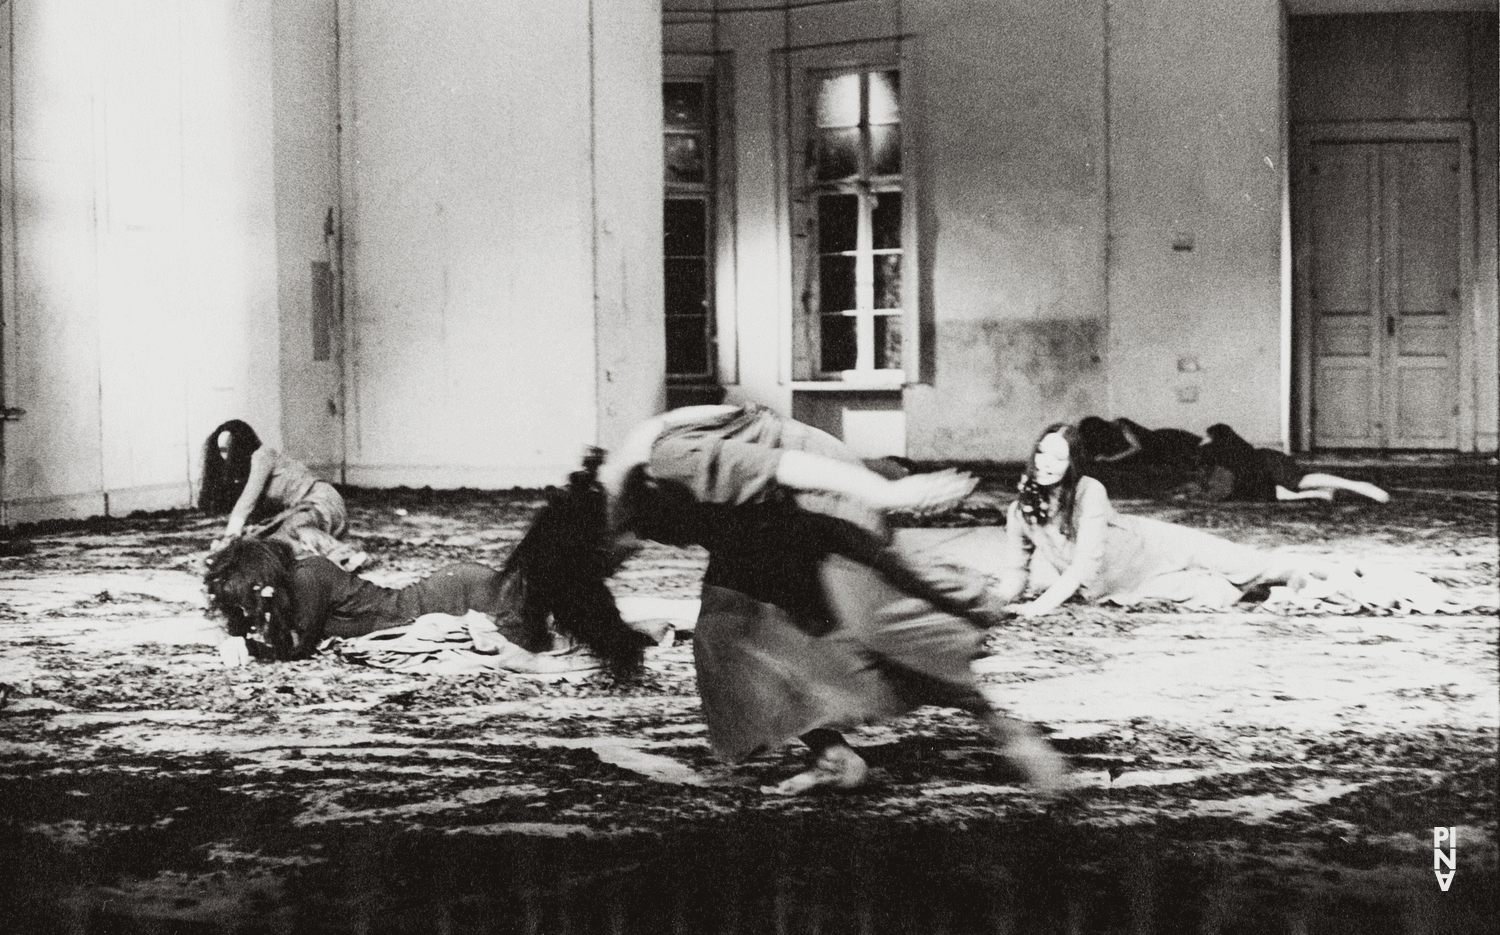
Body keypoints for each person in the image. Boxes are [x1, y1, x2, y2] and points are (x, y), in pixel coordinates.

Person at [584, 404, 1065, 796]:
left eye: (611, 563)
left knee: (874, 614)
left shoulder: (668, 462)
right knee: (725, 634)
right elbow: (539, 584)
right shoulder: (589, 501)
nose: (621, 568)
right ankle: (833, 757)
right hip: (757, 523)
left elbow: (787, 467)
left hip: (811, 488)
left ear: (600, 536)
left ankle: (1004, 730)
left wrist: (887, 492)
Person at [205, 456, 653, 673]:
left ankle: (613, 630)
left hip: (452, 592)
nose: (245, 610)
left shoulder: (309, 577)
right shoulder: (299, 579)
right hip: (455, 583)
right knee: (536, 608)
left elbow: (295, 648)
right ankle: (611, 626)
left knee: (528, 639)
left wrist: (250, 647)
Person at [995, 423, 1338, 617]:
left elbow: (1083, 566)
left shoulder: (1089, 490)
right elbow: (1015, 571)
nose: (1046, 462)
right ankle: (1288, 586)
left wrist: (1039, 608)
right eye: (1041, 452)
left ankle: (1329, 572)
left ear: (1074, 464)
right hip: (1125, 586)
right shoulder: (1019, 511)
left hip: (1152, 545)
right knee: (1209, 592)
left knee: (1250, 564)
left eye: (1059, 456)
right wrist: (996, 603)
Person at [199, 420, 368, 571]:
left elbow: (246, 503)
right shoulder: (246, 469)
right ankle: (324, 557)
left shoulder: (263, 455)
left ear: (242, 444)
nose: (226, 456)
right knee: (267, 541)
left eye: (231, 448)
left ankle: (346, 554)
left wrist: (229, 538)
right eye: (222, 450)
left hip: (320, 502)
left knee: (291, 528)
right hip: (301, 512)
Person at [1198, 423, 1390, 504]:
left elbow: (1220, 486)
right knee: (1289, 487)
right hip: (1266, 465)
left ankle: (1358, 486)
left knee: (1300, 482)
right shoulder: (1224, 455)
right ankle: (1327, 492)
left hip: (1269, 463)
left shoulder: (1224, 454)